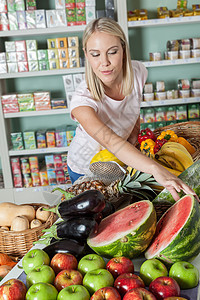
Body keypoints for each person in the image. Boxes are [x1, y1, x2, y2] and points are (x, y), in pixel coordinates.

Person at [67, 17, 197, 201]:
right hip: (86, 168)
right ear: (86, 55)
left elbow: (134, 108)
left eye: (112, 52)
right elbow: (112, 142)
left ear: (123, 49)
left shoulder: (138, 72)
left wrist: (134, 135)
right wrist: (155, 168)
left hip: (122, 160)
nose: (104, 62)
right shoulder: (82, 101)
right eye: (95, 54)